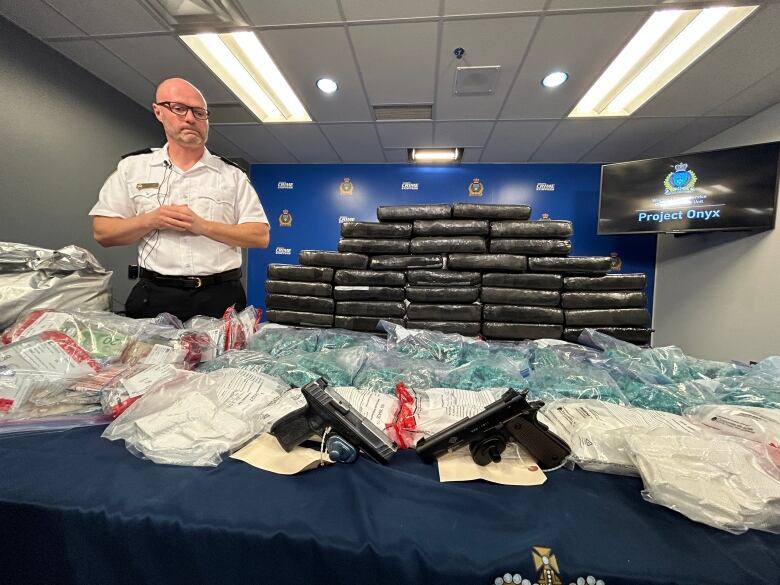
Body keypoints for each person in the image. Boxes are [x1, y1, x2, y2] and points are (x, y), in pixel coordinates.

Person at [90, 78, 270, 321]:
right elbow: (103, 233)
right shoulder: (132, 168)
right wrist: (150, 220)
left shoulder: (232, 175)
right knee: (151, 359)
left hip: (221, 297)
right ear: (159, 111)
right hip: (156, 295)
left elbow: (259, 235)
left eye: (199, 112)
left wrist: (203, 226)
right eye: (179, 108)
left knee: (225, 360)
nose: (190, 118)